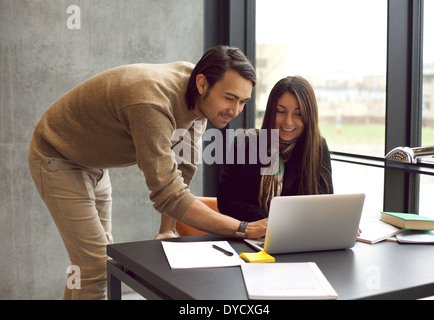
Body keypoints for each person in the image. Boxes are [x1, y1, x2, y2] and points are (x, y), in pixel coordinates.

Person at [28, 45, 267, 300]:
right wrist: (243, 228)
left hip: (92, 161)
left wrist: (167, 229)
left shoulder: (199, 98)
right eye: (229, 98)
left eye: (243, 102)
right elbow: (168, 193)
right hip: (57, 155)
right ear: (202, 84)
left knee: (94, 261)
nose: (235, 111)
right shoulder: (151, 103)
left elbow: (182, 167)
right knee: (93, 265)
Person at [217, 76, 333, 222]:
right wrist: (269, 221)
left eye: (298, 114)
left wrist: (336, 221)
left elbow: (325, 204)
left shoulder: (317, 148)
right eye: (281, 111)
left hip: (298, 238)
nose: (288, 121)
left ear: (309, 116)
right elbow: (225, 200)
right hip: (246, 234)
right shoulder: (245, 142)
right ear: (271, 111)